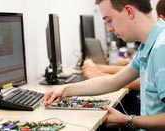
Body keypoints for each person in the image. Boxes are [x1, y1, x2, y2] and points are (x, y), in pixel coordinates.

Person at [44, 0, 165, 131]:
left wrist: (128, 120)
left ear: (129, 12)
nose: (109, 28)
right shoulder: (149, 45)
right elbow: (114, 81)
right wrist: (65, 90)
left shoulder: (161, 48)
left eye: (109, 20)